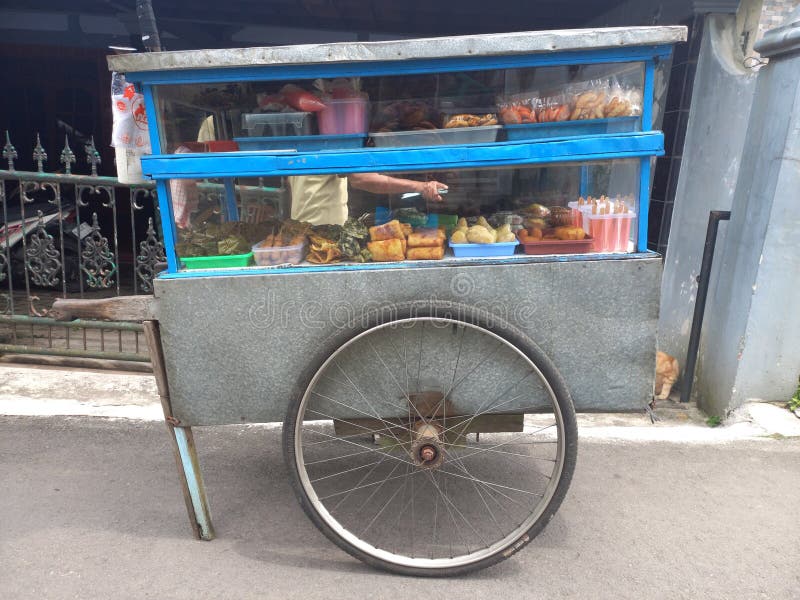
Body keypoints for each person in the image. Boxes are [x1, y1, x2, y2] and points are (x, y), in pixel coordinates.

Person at [288, 173, 448, 225]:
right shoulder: (329, 143)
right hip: (324, 234)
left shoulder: (300, 143)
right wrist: (419, 187)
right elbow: (361, 179)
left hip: (300, 230)